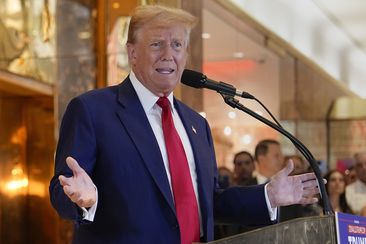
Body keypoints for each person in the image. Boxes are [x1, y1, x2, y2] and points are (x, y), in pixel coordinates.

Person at [49, 5, 321, 244]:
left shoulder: (196, 124)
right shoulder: (92, 110)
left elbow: (209, 202)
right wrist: (85, 202)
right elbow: (62, 190)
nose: (169, 54)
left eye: (177, 45)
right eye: (156, 44)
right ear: (132, 53)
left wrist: (268, 197)